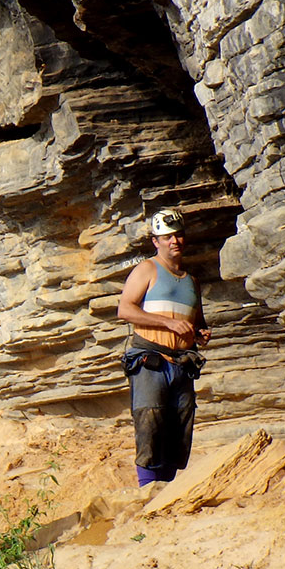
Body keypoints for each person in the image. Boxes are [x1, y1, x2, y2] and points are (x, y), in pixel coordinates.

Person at [117, 208, 211, 487]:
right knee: (150, 419)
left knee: (179, 426)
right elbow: (125, 309)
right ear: (155, 241)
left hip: (181, 363)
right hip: (151, 359)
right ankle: (147, 488)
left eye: (178, 235)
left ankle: (167, 490)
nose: (174, 241)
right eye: (167, 237)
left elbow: (196, 321)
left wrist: (200, 333)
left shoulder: (192, 281)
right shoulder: (147, 269)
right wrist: (167, 324)